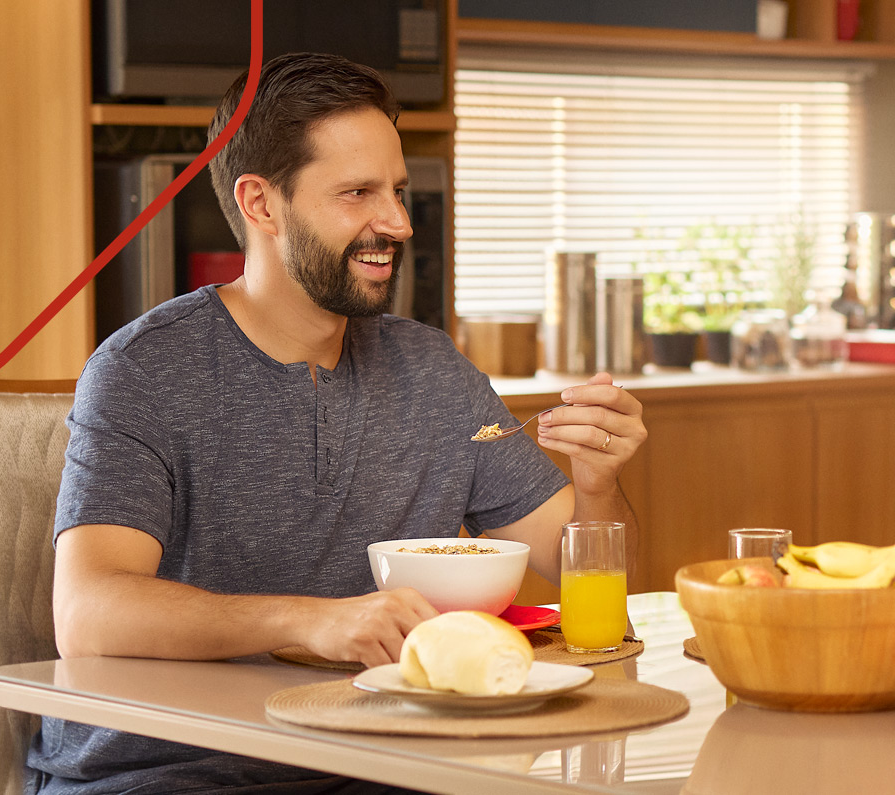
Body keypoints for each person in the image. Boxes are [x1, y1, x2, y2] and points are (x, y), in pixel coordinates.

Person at [33, 54, 649, 795]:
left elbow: (586, 574)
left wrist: (598, 480)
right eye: (358, 193)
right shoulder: (144, 369)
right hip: (169, 772)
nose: (396, 223)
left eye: (397, 191)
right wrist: (313, 620)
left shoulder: (432, 370)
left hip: (382, 761)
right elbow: (89, 614)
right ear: (262, 205)